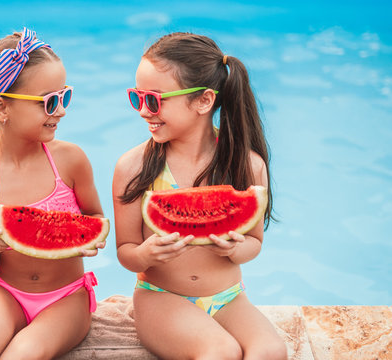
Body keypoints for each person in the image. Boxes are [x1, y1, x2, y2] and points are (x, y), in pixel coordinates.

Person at [112, 32, 287, 359]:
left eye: (154, 99)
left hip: (229, 297)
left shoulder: (247, 166)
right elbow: (125, 251)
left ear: (203, 101)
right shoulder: (133, 167)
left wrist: (237, 249)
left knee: (271, 351)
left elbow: (255, 242)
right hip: (160, 297)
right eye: (137, 97)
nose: (142, 111)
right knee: (219, 351)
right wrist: (146, 255)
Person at [0, 28, 105, 359]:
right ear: (1, 108)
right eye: (49, 102)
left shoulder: (71, 159)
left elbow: (95, 218)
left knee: (24, 353)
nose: (60, 111)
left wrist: (90, 237)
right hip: (5, 293)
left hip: (67, 297)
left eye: (65, 96)